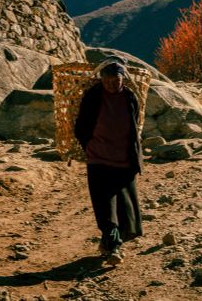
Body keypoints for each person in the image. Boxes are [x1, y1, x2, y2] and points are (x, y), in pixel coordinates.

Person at [74, 58, 144, 265]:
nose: (113, 84)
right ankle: (114, 247)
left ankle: (108, 243)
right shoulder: (93, 97)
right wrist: (90, 147)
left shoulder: (131, 97)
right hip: (99, 159)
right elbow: (81, 126)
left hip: (124, 160)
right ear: (102, 80)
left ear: (124, 79)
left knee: (125, 207)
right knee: (105, 205)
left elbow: (135, 123)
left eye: (117, 80)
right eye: (108, 80)